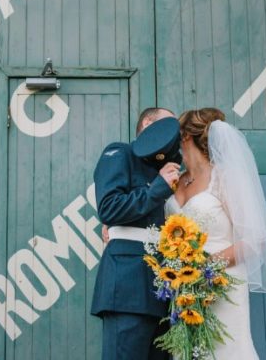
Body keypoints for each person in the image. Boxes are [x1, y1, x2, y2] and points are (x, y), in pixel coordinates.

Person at [166, 108, 266, 360]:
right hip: (183, 290)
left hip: (221, 282)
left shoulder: (224, 178)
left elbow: (253, 242)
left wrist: (203, 269)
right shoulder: (175, 181)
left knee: (225, 350)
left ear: (184, 137)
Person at [90, 107, 182, 360]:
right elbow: (108, 208)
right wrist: (157, 189)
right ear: (149, 123)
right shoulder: (121, 153)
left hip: (166, 290)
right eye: (169, 124)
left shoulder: (171, 167)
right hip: (127, 286)